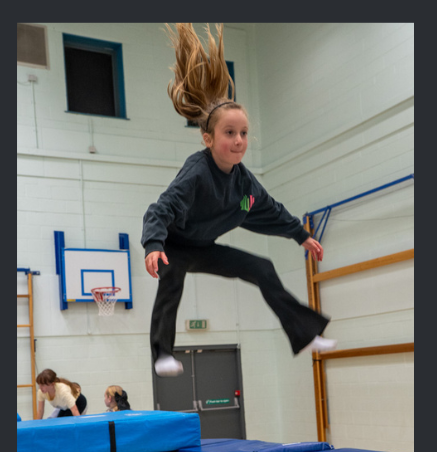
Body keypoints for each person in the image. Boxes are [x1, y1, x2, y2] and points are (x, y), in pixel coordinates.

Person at [142, 23, 336, 377]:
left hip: (204, 246)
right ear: (207, 138)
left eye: (243, 133)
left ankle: (304, 333)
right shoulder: (197, 172)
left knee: (261, 267)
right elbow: (162, 207)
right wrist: (153, 244)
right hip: (173, 244)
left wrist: (300, 234)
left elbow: (268, 211)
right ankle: (162, 354)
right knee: (172, 283)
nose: (239, 140)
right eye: (229, 133)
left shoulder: (245, 184)